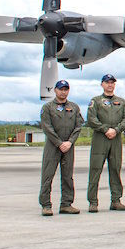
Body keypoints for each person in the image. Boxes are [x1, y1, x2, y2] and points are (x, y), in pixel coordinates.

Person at [86, 73, 125, 212]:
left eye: (112, 82)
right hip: (100, 138)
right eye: (107, 82)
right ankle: (93, 201)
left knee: (115, 168)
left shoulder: (121, 102)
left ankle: (116, 200)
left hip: (116, 138)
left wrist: (116, 130)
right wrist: (105, 129)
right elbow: (91, 119)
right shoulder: (96, 101)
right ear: (102, 84)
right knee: (95, 169)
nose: (110, 85)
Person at [39, 79, 84, 216]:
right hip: (53, 146)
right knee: (48, 176)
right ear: (55, 90)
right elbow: (47, 127)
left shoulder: (74, 107)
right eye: (61, 89)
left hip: (69, 147)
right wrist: (59, 143)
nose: (63, 92)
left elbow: (78, 126)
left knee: (67, 176)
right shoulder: (47, 108)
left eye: (66, 89)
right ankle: (46, 205)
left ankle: (66, 204)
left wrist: (70, 142)